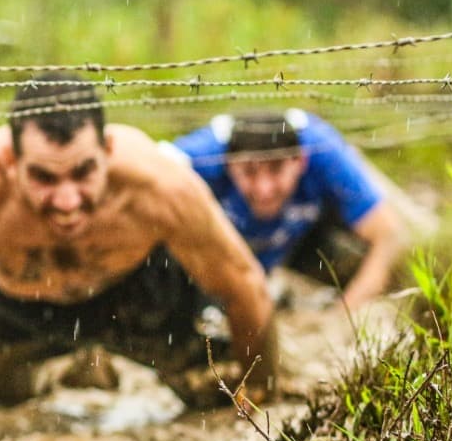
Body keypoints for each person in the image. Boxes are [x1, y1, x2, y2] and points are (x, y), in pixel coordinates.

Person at [0, 74, 278, 441]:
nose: (66, 201)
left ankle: (94, 362)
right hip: (18, 309)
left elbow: (243, 283)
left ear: (108, 150)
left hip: (139, 296)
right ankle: (77, 368)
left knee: (213, 391)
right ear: (12, 162)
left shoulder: (158, 184)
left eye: (83, 173)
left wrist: (257, 398)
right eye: (44, 178)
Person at [166, 110, 406, 312]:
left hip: (305, 240)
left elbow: (387, 233)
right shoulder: (198, 158)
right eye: (249, 172)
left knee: (402, 256)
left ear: (300, 162)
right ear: (228, 165)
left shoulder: (323, 151)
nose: (264, 189)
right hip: (218, 259)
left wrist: (344, 314)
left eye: (276, 170)